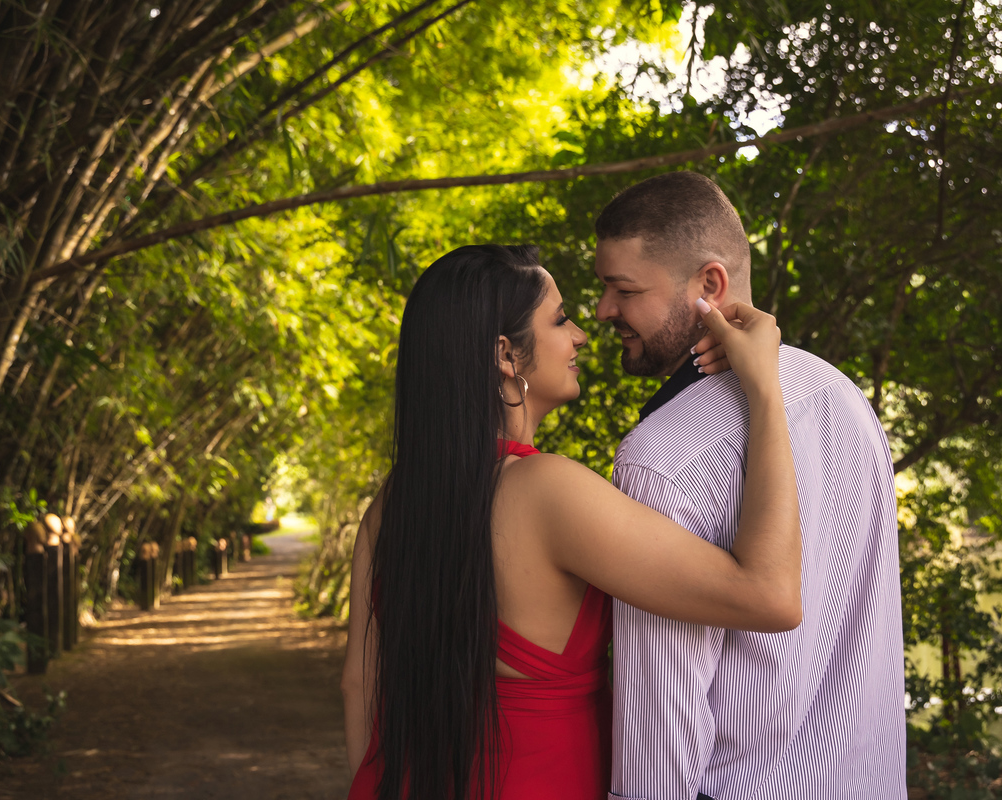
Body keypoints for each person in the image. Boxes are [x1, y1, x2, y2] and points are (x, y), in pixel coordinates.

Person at [342, 243, 800, 800]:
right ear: (506, 354)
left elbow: (362, 686)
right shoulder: (547, 492)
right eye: (560, 319)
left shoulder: (392, 503)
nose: (581, 334)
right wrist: (765, 388)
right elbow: (770, 595)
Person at [595, 171, 907, 800]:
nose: (603, 311)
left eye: (623, 289)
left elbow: (664, 712)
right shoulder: (841, 397)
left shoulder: (657, 458)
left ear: (710, 284)